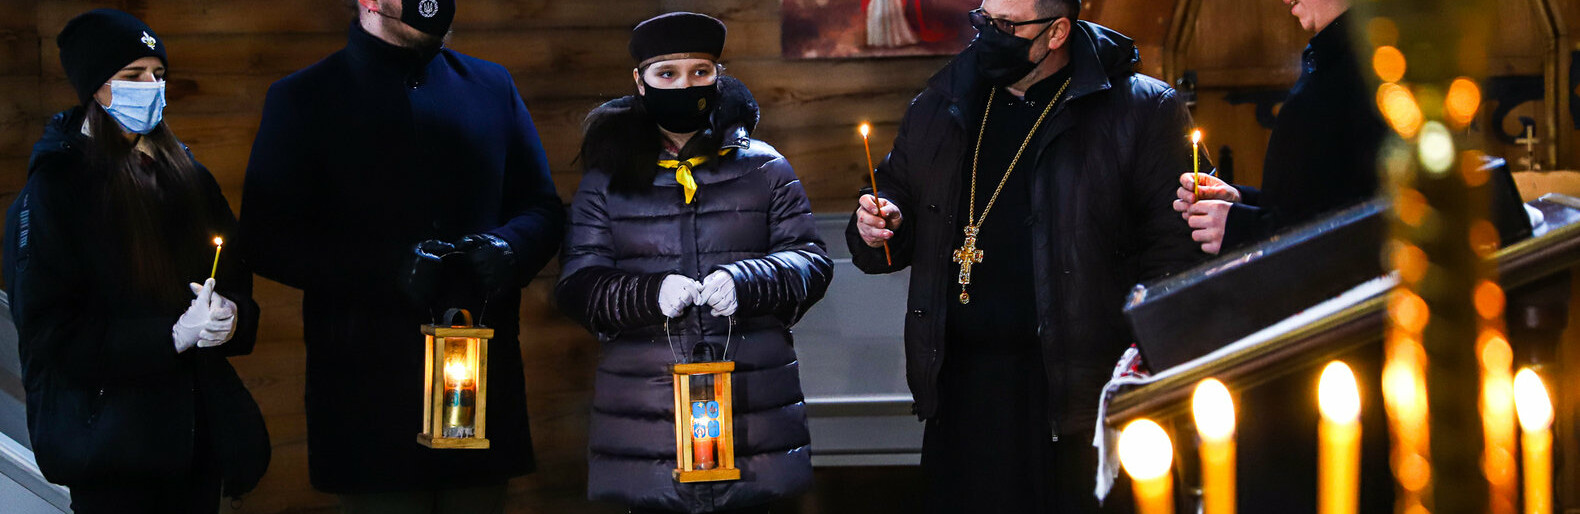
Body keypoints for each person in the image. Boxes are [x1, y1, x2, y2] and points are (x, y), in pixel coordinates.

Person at [846, 0, 1203, 511]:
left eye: (1007, 25)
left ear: (1057, 32)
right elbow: (892, 207)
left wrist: (1144, 361)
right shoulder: (943, 104)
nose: (988, 35)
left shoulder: (1141, 109)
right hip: (961, 392)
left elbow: (1176, 250)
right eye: (984, 20)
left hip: (1076, 398)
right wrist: (878, 227)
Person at [236, 0, 565, 511]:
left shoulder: (491, 84)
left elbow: (541, 206)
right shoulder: (302, 97)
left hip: (479, 382)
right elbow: (266, 238)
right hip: (366, 393)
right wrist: (385, 268)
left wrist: (512, 248)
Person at [556, 12, 832, 514]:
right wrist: (649, 294)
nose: (686, 85)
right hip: (647, 423)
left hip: (755, 414)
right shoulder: (606, 179)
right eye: (668, 74)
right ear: (640, 81)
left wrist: (747, 281)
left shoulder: (765, 168)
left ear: (717, 76)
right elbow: (579, 284)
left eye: (700, 72)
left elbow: (811, 262)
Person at [2, 9, 270, 513]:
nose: (151, 87)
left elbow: (234, 273)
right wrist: (169, 336)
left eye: (158, 73)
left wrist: (230, 317)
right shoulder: (55, 191)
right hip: (113, 451)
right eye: (132, 75)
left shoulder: (186, 175)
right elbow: (50, 333)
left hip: (195, 443)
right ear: (95, 87)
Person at [1174, 0, 1387, 254]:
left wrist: (1239, 228)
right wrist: (1239, 200)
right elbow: (1312, 198)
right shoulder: (1331, 54)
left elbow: (1357, 228)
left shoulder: (1368, 68)